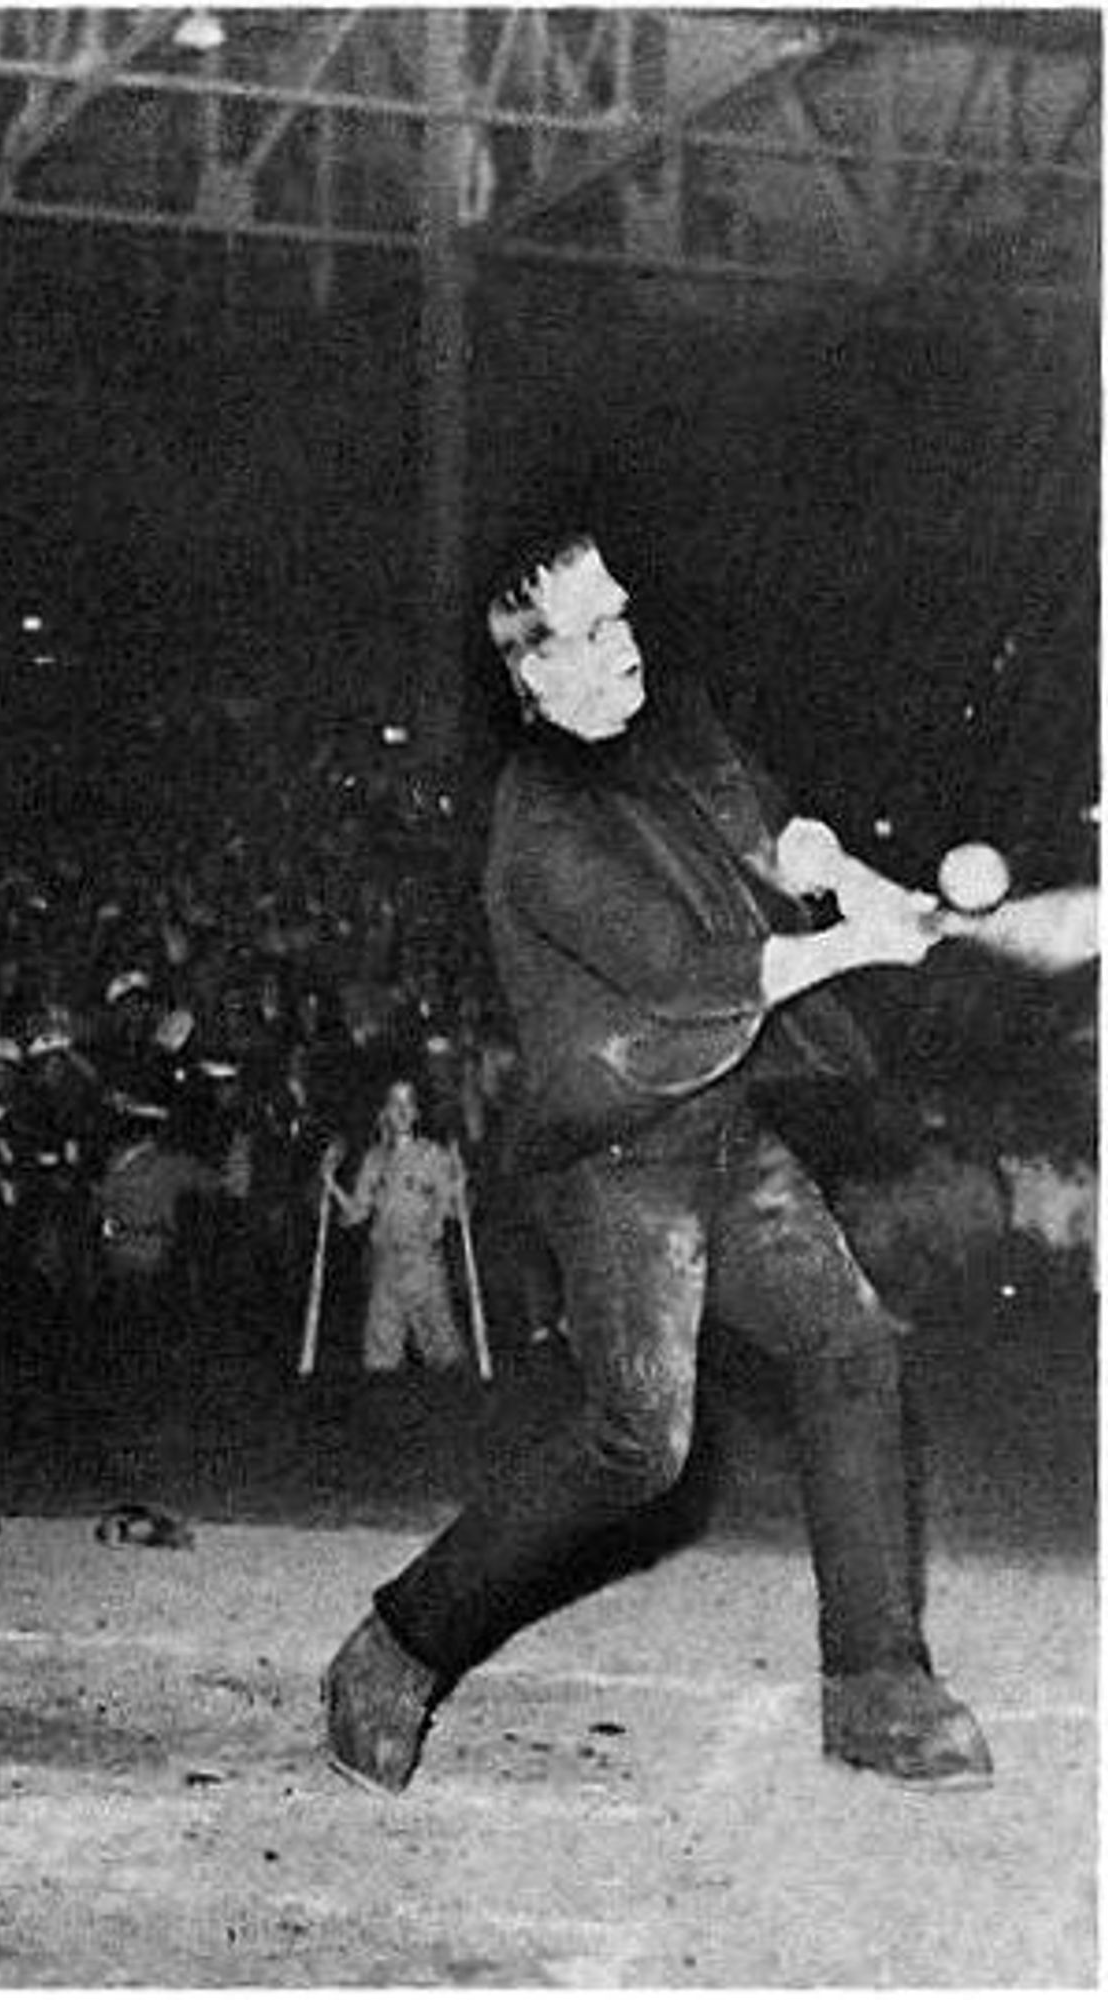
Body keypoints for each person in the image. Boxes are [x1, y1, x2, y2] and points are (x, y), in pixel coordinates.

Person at [322, 528, 992, 1795]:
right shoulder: (537, 821)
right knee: (640, 1441)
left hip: (722, 1126)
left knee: (849, 1345)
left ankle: (875, 1682)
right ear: (533, 669)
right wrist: (862, 949)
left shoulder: (673, 727)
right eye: (594, 630)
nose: (627, 639)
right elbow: (690, 977)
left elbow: (772, 834)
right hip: (615, 1159)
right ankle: (395, 1647)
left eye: (623, 613)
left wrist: (846, 875)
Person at [321, 1077, 468, 1374]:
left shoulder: (433, 1156)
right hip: (386, 1264)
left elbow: (456, 1211)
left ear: (416, 1113)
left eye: (408, 1103)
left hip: (424, 1264)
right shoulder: (375, 1160)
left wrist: (459, 1180)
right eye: (394, 1103)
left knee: (444, 1356)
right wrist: (330, 1181)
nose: (401, 1110)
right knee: (380, 1360)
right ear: (385, 1112)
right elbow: (356, 1214)